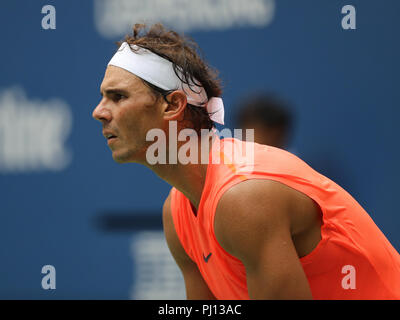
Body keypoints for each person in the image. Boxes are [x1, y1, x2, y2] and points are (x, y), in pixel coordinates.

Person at [92, 23, 400, 299]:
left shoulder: (244, 197)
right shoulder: (177, 213)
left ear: (172, 105)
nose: (99, 111)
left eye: (118, 97)